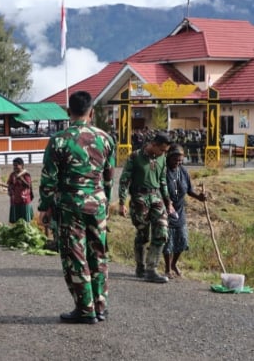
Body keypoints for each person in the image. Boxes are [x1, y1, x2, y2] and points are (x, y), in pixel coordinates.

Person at [38, 91, 115, 325]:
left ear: (68, 112)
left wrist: (45, 207)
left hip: (71, 205)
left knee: (75, 255)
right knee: (98, 253)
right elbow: (109, 177)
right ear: (91, 112)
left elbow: (49, 178)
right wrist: (106, 202)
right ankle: (100, 306)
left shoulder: (59, 140)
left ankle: (85, 309)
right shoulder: (105, 138)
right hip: (98, 204)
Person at [118, 132, 174, 283]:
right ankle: (140, 266)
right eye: (162, 150)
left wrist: (168, 202)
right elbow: (124, 180)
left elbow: (162, 180)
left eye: (165, 151)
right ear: (153, 144)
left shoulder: (162, 158)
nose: (163, 153)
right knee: (143, 235)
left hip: (156, 197)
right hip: (139, 199)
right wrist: (122, 202)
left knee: (162, 232)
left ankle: (151, 269)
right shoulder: (135, 157)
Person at [163, 144, 206, 278]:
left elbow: (189, 190)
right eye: (175, 160)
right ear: (169, 158)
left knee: (182, 239)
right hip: (166, 209)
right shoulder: (163, 171)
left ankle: (174, 264)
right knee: (168, 240)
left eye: (180, 160)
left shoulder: (183, 171)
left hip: (180, 209)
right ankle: (167, 268)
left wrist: (199, 197)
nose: (178, 162)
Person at [4, 157, 33, 223]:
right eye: (13, 165)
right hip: (15, 201)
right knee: (16, 222)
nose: (14, 167)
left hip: (24, 201)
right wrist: (9, 190)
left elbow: (28, 185)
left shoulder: (26, 175)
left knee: (25, 222)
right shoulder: (12, 175)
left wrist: (21, 178)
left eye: (16, 165)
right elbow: (9, 184)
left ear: (22, 165)